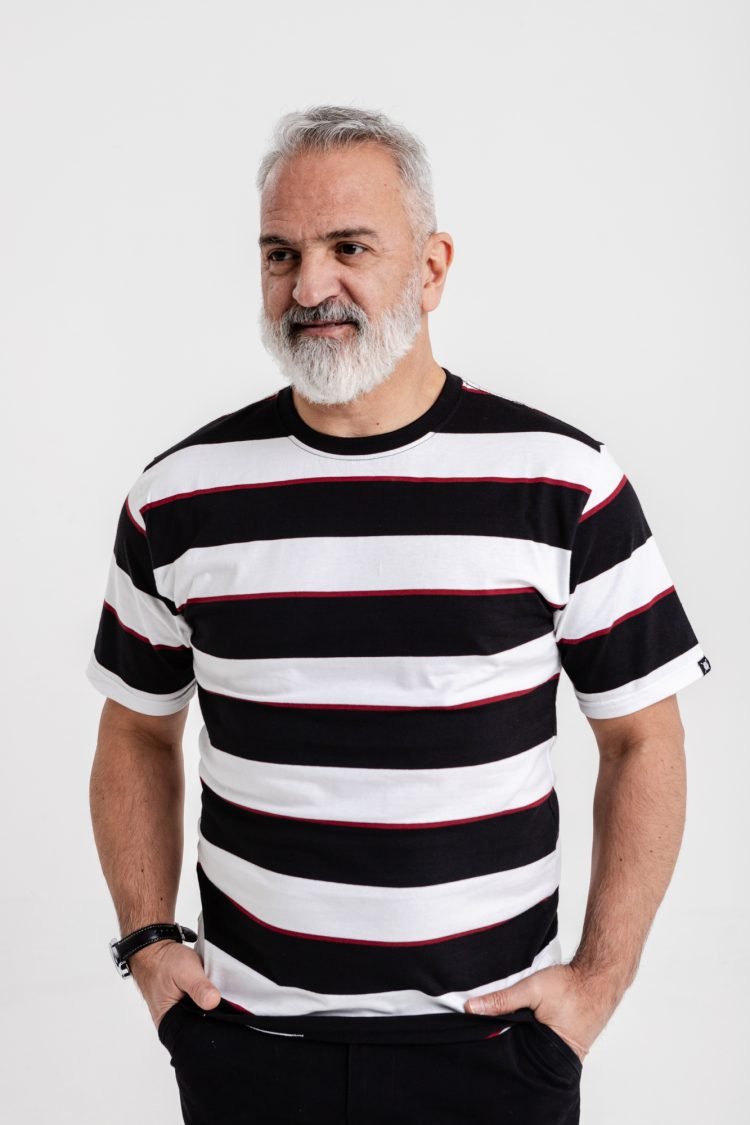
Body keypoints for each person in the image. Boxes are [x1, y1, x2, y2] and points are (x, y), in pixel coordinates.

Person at [87, 105, 710, 1125]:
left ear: (431, 267)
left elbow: (646, 739)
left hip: (492, 1051)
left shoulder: (564, 485)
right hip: (248, 1049)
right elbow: (134, 734)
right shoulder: (180, 497)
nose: (310, 287)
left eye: (350, 247)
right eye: (281, 253)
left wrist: (598, 983)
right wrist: (151, 948)